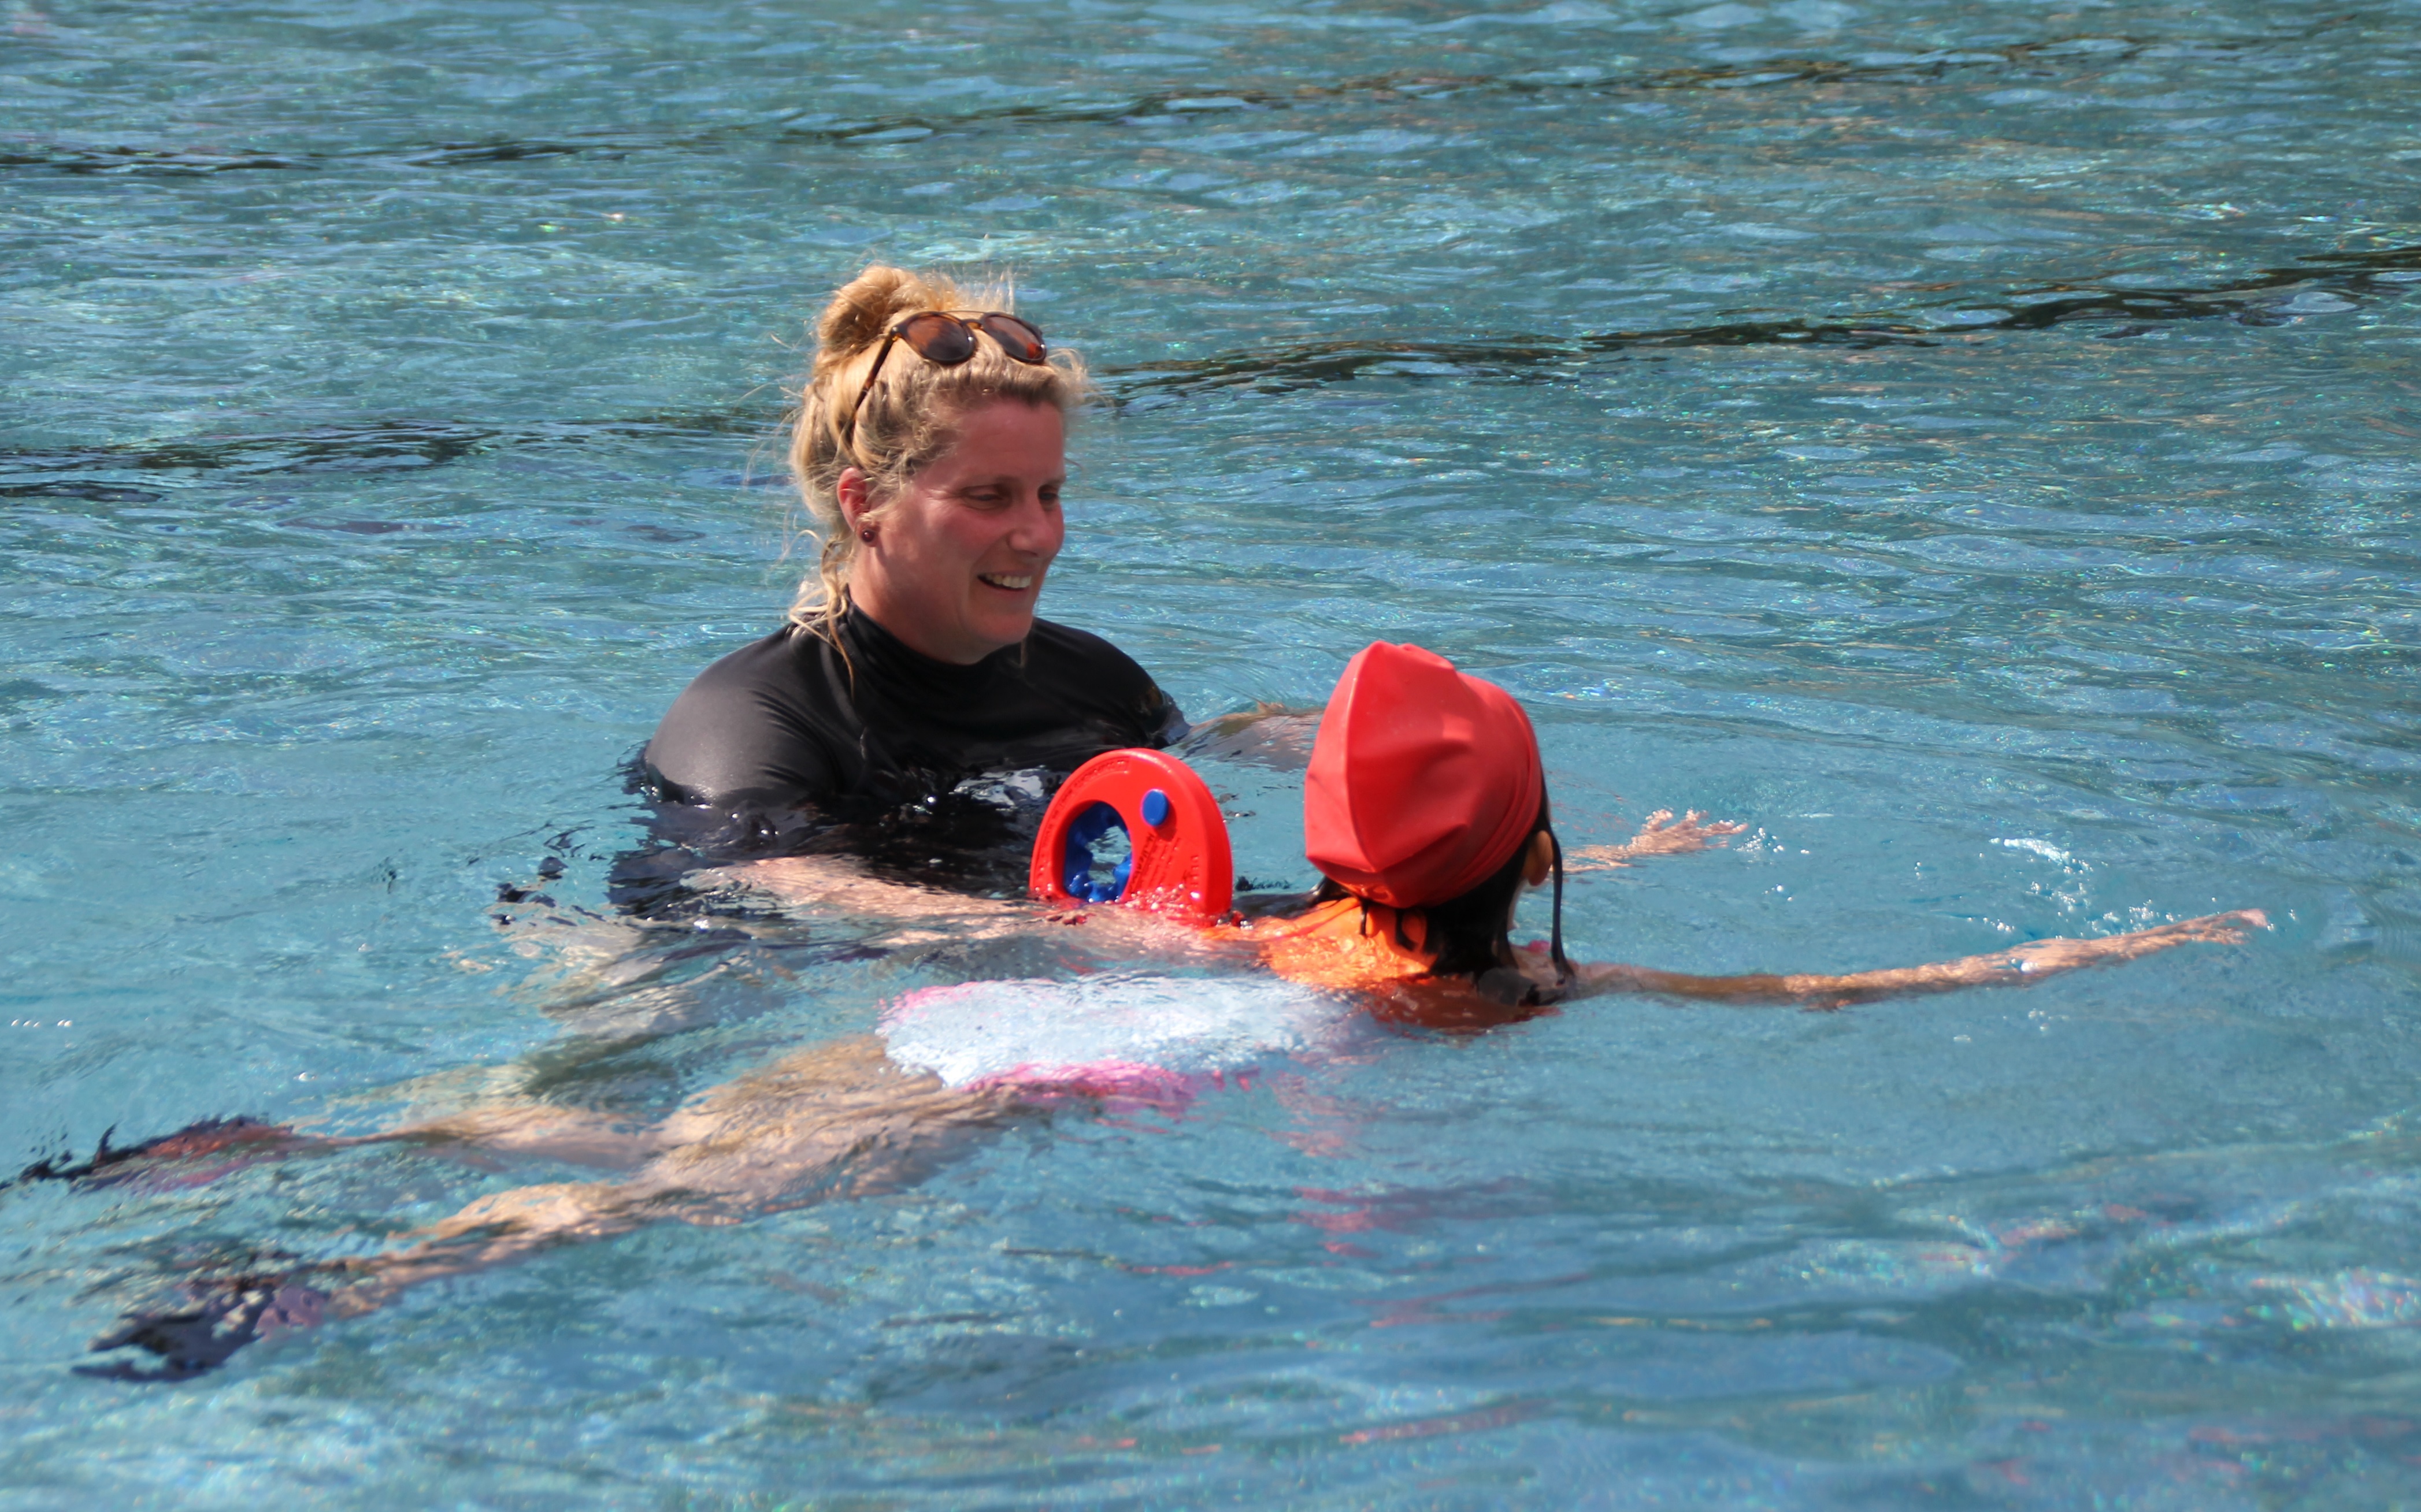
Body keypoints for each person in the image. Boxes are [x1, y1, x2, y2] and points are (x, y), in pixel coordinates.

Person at [54, 644, 2263, 1380]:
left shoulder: (1282, 931)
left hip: (954, 1026)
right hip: (981, 1098)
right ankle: (321, 1281)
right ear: (1523, 867)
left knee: (607, 1129)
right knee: (651, 1200)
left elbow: (1238, 924)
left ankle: (281, 1143)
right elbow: (1821, 989)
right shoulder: (1494, 992)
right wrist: (2073, 959)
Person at [640, 264, 1185, 838]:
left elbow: (1201, 775)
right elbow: (767, 878)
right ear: (865, 504)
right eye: (988, 497)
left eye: (1047, 495)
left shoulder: (1098, 685)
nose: (1039, 537)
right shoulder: (750, 725)